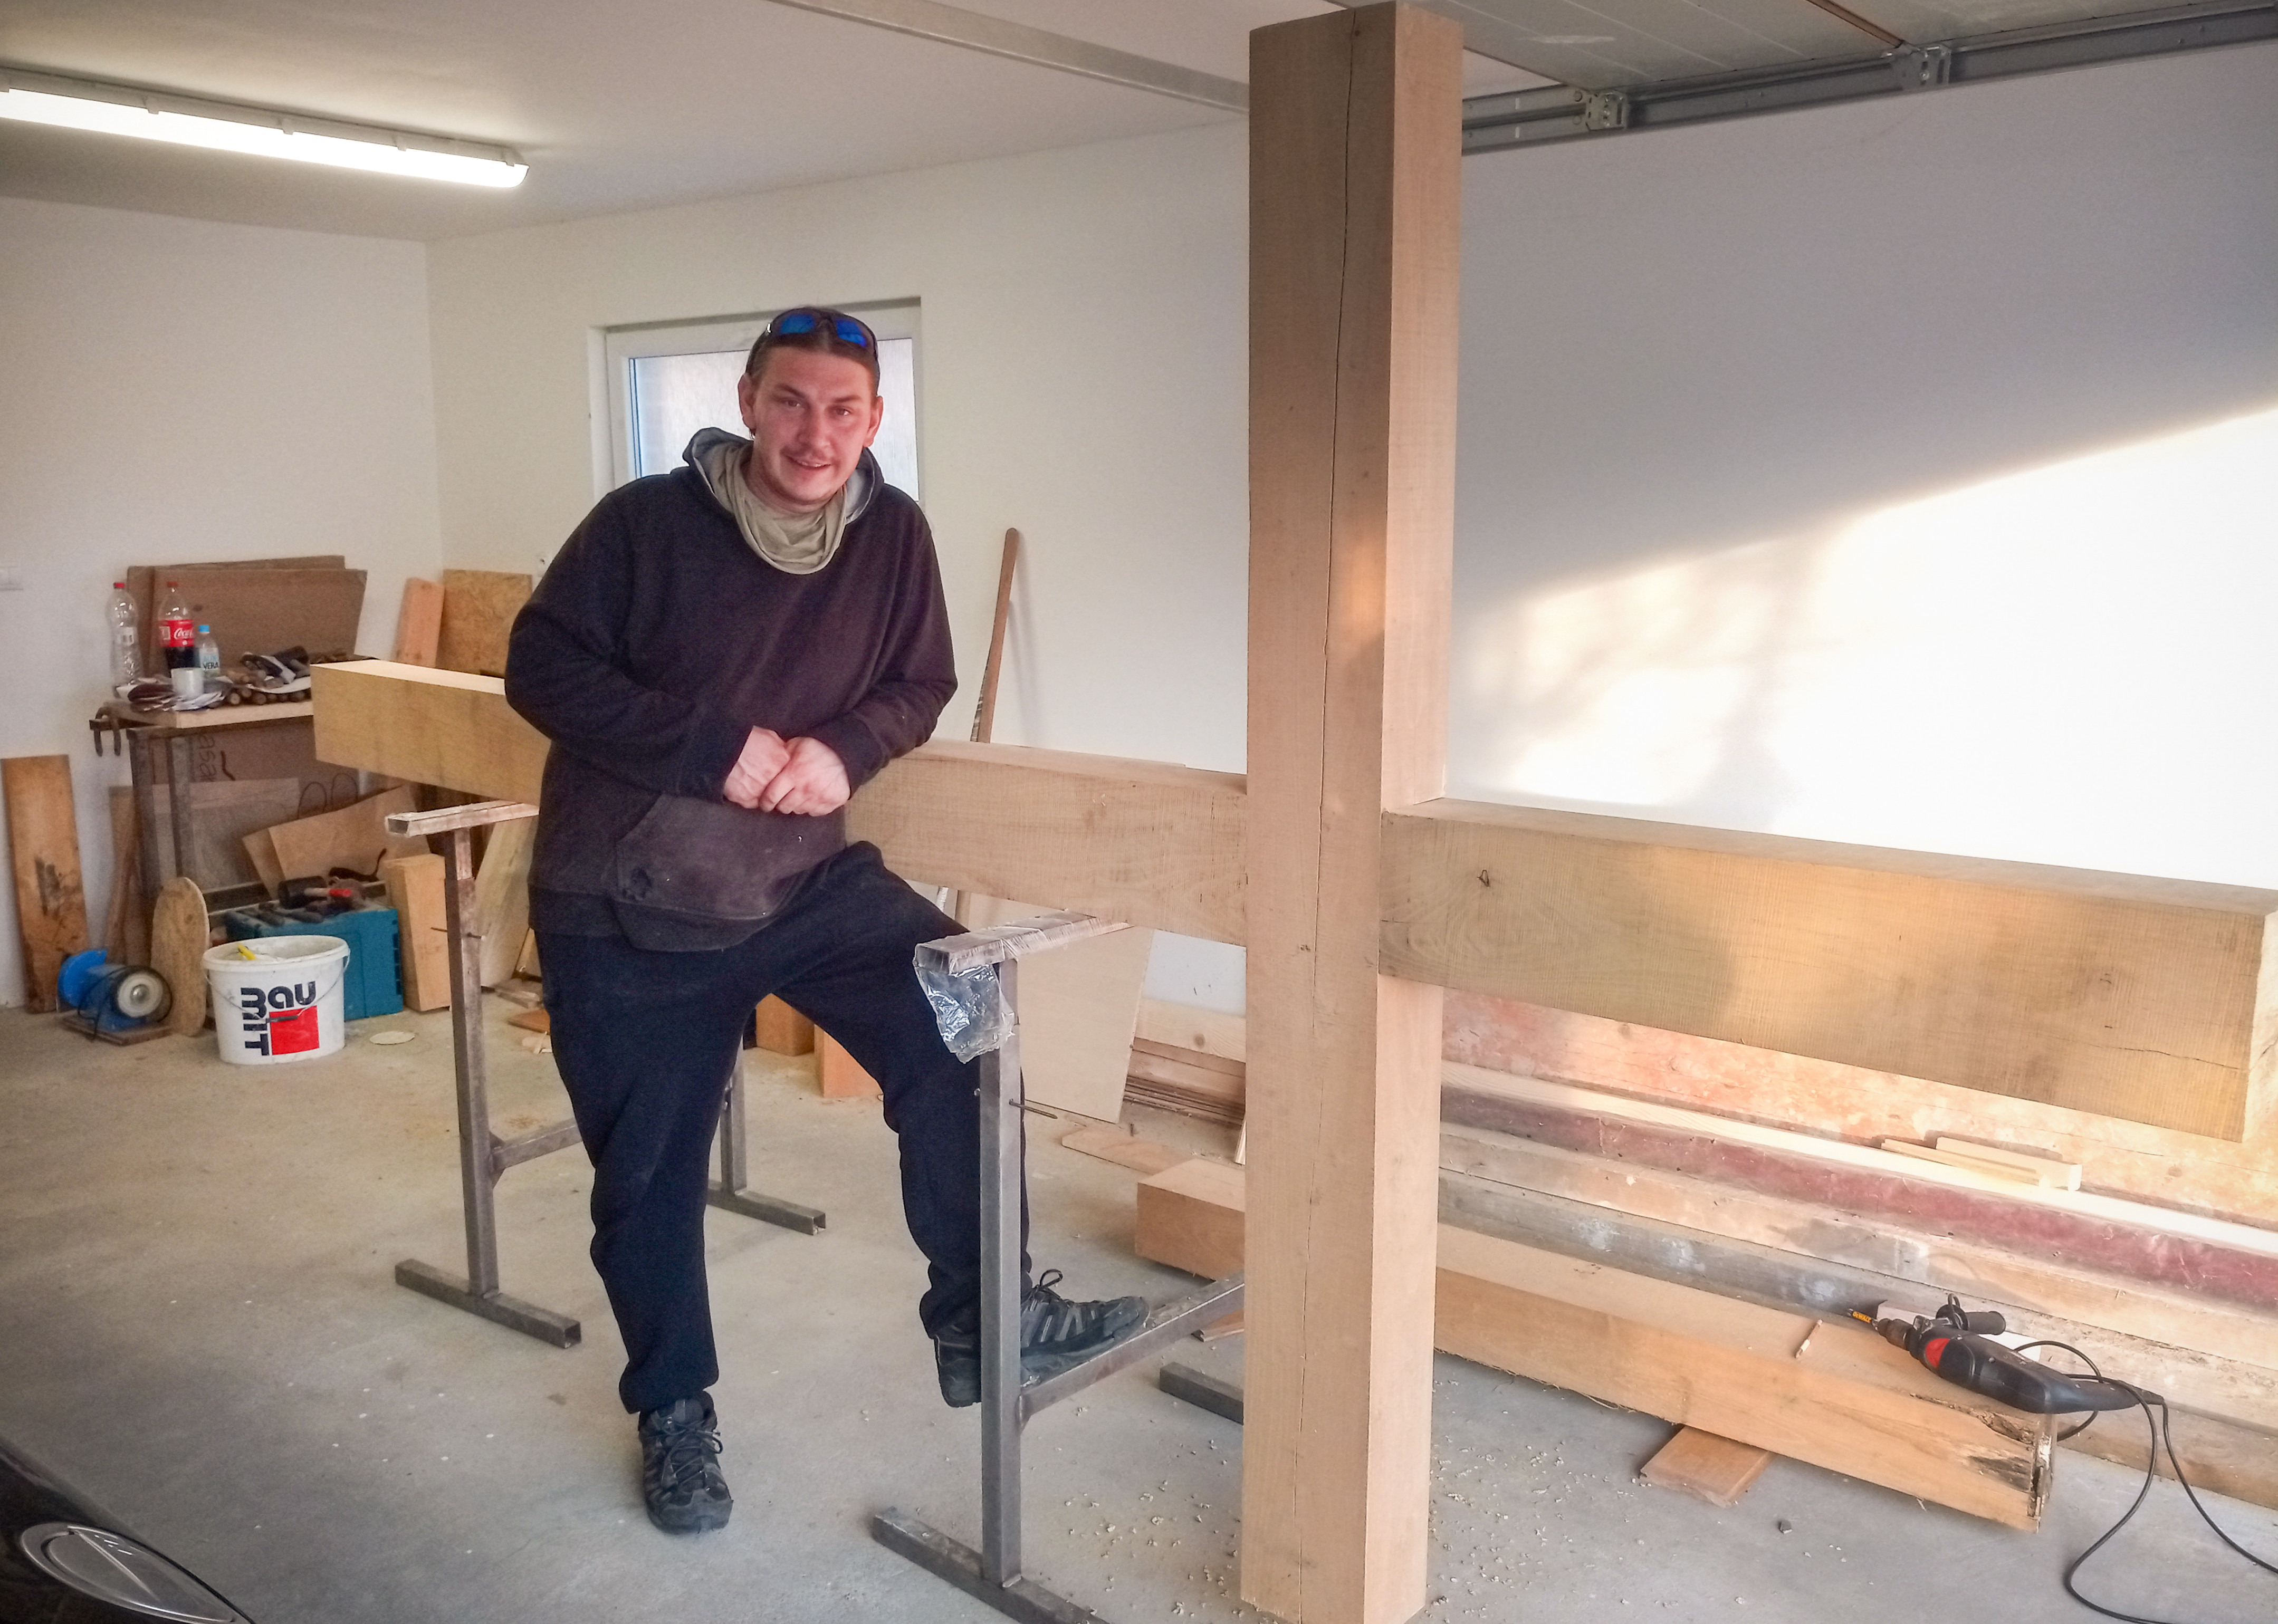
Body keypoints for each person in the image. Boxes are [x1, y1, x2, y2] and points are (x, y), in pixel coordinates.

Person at [504, 306, 1146, 1536]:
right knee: (647, 1179)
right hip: (626, 905)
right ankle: (673, 1410)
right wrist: (712, 748)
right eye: (791, 403)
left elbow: (919, 681)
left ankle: (985, 1314)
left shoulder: (889, 533)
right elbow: (541, 668)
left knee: (962, 1020)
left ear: (874, 418)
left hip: (800, 878)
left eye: (842, 409)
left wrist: (846, 749)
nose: (815, 434)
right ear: (748, 403)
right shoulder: (642, 526)